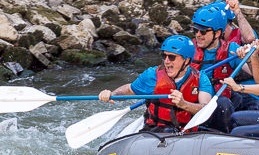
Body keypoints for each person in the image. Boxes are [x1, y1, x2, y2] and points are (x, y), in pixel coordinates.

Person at [99, 35, 232, 132]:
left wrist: (183, 104)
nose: (167, 61)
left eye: (172, 57)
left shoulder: (201, 78)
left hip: (188, 133)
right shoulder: (152, 75)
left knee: (223, 104)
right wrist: (112, 93)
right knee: (167, 132)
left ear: (186, 61)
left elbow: (205, 108)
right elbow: (129, 89)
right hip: (155, 130)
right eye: (165, 56)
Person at [190, 3, 258, 112]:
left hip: (221, 101)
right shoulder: (187, 48)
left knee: (229, 103)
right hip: (195, 100)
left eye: (202, 31)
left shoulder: (231, 49)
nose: (198, 35)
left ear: (217, 33)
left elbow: (257, 75)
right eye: (195, 30)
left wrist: (250, 59)